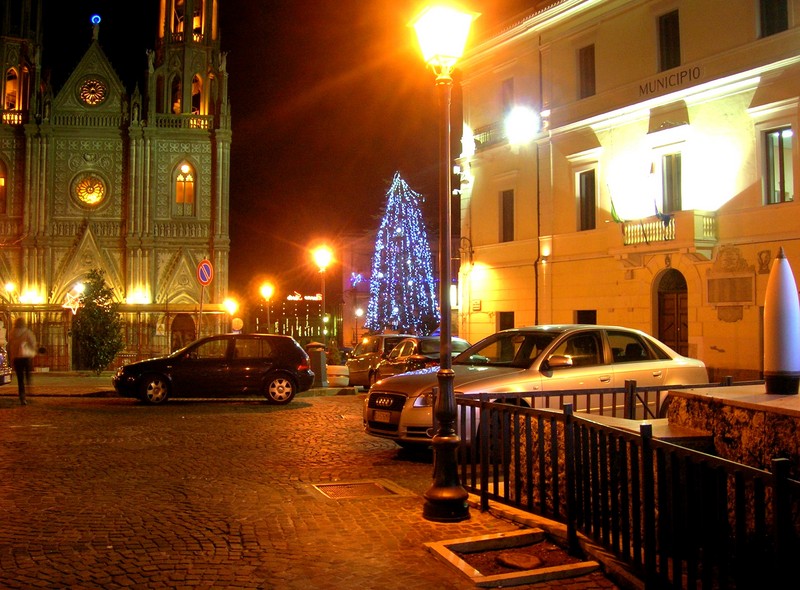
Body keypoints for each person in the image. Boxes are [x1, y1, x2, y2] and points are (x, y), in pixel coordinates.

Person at [8, 317, 37, 405]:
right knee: (28, 375)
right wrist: (33, 350)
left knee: (20, 379)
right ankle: (29, 391)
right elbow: (33, 343)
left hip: (16, 359)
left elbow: (10, 346)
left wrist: (11, 357)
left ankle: (22, 397)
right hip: (26, 357)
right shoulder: (28, 332)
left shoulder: (11, 333)